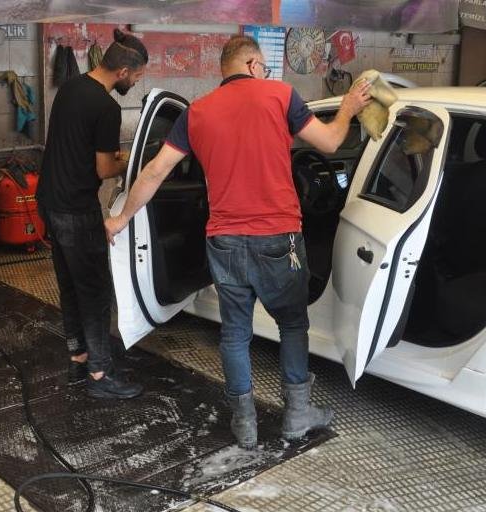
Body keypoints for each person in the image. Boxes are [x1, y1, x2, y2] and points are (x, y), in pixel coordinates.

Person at [105, 35, 371, 446]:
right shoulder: (281, 96)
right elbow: (332, 142)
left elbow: (155, 171)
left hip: (225, 241)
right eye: (263, 67)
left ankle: (244, 423)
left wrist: (121, 218)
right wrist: (349, 107)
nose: (265, 73)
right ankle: (297, 414)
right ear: (251, 64)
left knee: (234, 333)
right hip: (278, 238)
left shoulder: (197, 112)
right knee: (293, 324)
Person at [37, 28, 149, 400]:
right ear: (123, 71)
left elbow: (76, 146)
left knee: (71, 285)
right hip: (76, 209)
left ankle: (79, 356)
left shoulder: (70, 88)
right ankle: (101, 375)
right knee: (96, 292)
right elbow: (104, 169)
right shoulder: (107, 108)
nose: (136, 82)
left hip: (50, 201)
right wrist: (132, 161)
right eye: (137, 76)